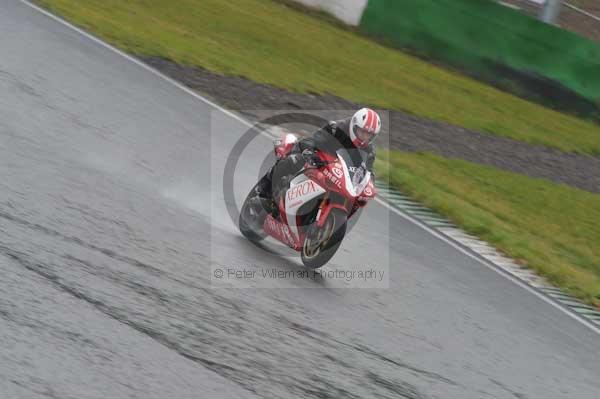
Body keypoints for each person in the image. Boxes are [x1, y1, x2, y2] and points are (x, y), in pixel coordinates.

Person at [255, 108, 381, 206]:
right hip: (319, 160)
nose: (365, 137)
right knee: (295, 159)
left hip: (339, 176)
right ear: (354, 126)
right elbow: (313, 140)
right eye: (362, 132)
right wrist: (310, 152)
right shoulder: (336, 129)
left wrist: (370, 186)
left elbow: (368, 172)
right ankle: (265, 188)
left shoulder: (368, 151)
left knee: (354, 201)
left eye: (369, 135)